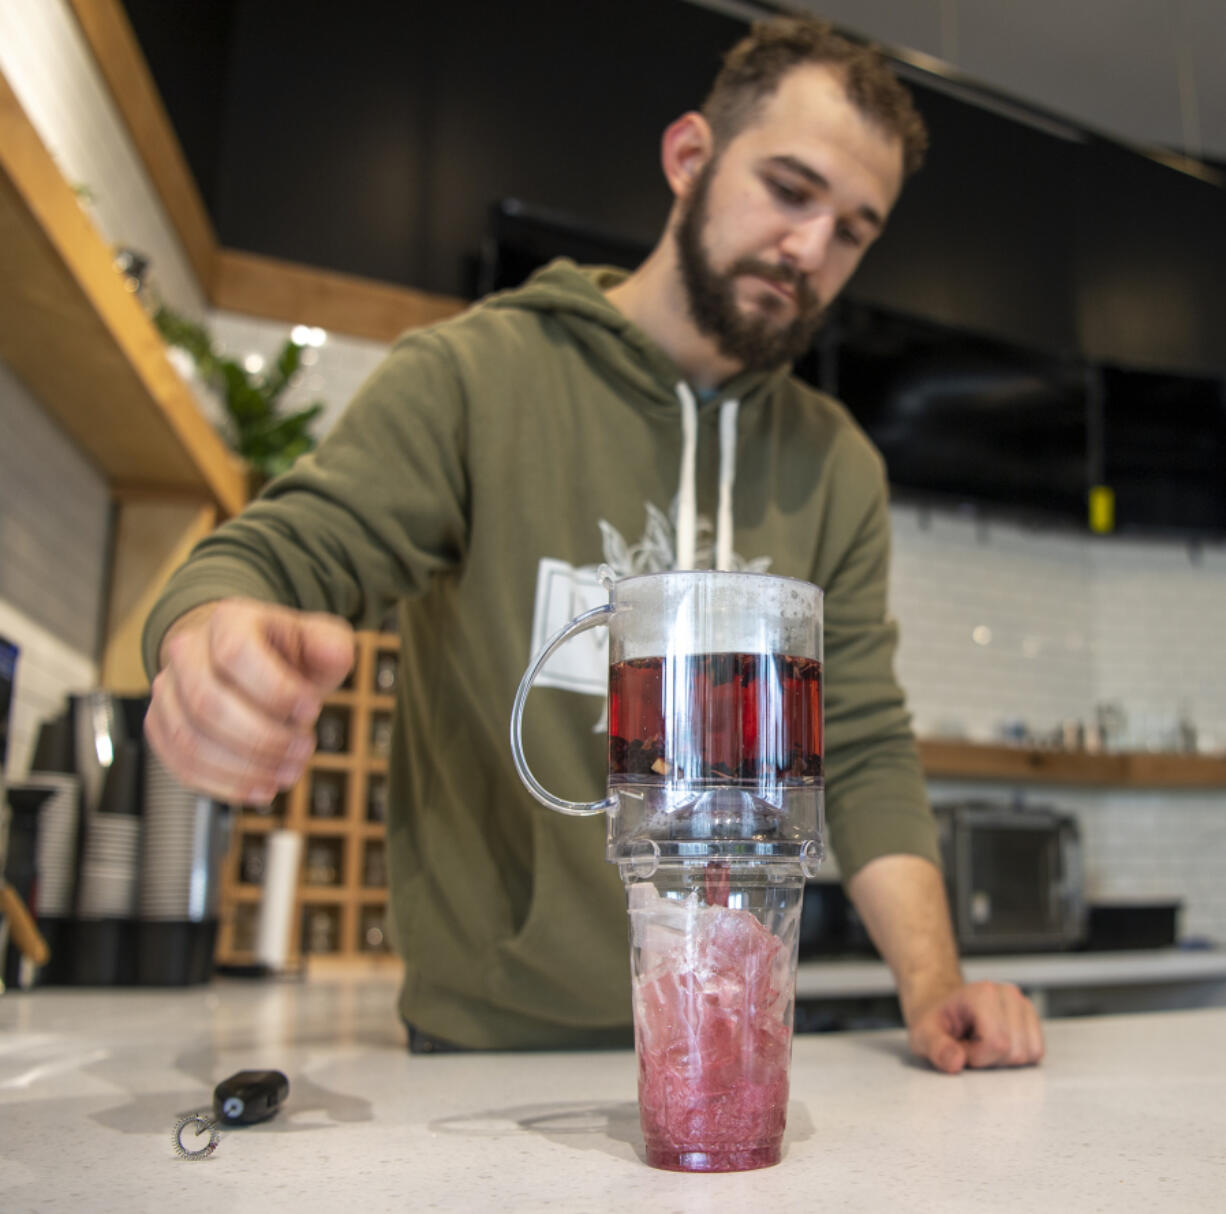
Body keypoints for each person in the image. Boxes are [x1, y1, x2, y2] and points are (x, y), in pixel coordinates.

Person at [143, 16, 1043, 1071]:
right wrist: (207, 636)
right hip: (488, 1053)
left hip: (732, 1053)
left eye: (851, 229)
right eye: (789, 189)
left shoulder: (833, 462)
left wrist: (932, 984)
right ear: (688, 157)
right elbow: (278, 556)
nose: (809, 249)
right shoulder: (474, 378)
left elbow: (860, 740)